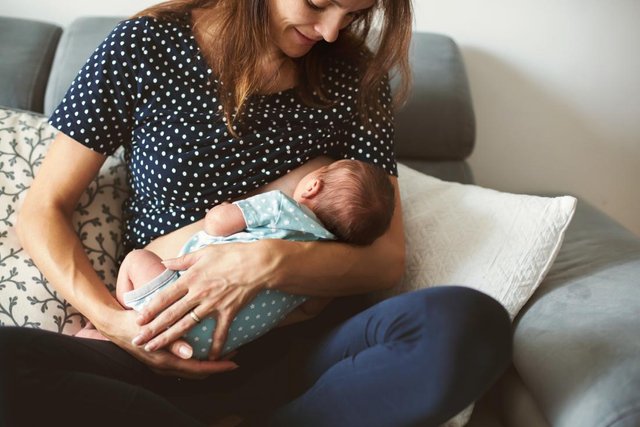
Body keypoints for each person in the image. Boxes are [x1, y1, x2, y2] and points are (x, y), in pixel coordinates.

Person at [0, 0, 512, 426]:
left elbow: (385, 259)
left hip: (297, 356)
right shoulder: (146, 45)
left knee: (465, 323)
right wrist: (118, 327)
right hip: (154, 351)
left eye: (352, 14)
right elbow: (42, 210)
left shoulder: (357, 78)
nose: (332, 31)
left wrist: (267, 262)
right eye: (317, 3)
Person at [76, 159, 396, 360]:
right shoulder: (318, 272)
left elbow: (217, 225)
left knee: (136, 259)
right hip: (212, 346)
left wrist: (226, 207)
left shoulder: (280, 207)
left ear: (313, 184)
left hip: (171, 298)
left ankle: (121, 316)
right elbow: (308, 311)